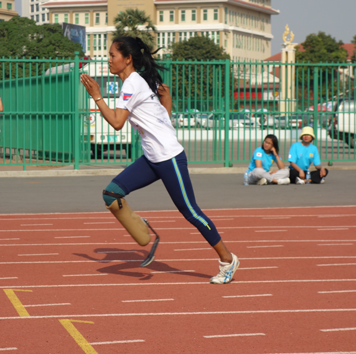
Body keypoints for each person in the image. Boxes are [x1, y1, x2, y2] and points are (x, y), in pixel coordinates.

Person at [80, 36, 239, 284]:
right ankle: (140, 226)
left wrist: (96, 95)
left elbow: (117, 123)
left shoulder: (132, 84)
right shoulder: (136, 83)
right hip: (152, 158)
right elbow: (161, 119)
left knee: (191, 212)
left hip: (169, 158)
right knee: (111, 194)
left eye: (112, 55)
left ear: (128, 59)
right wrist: (167, 101)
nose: (109, 59)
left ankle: (227, 260)